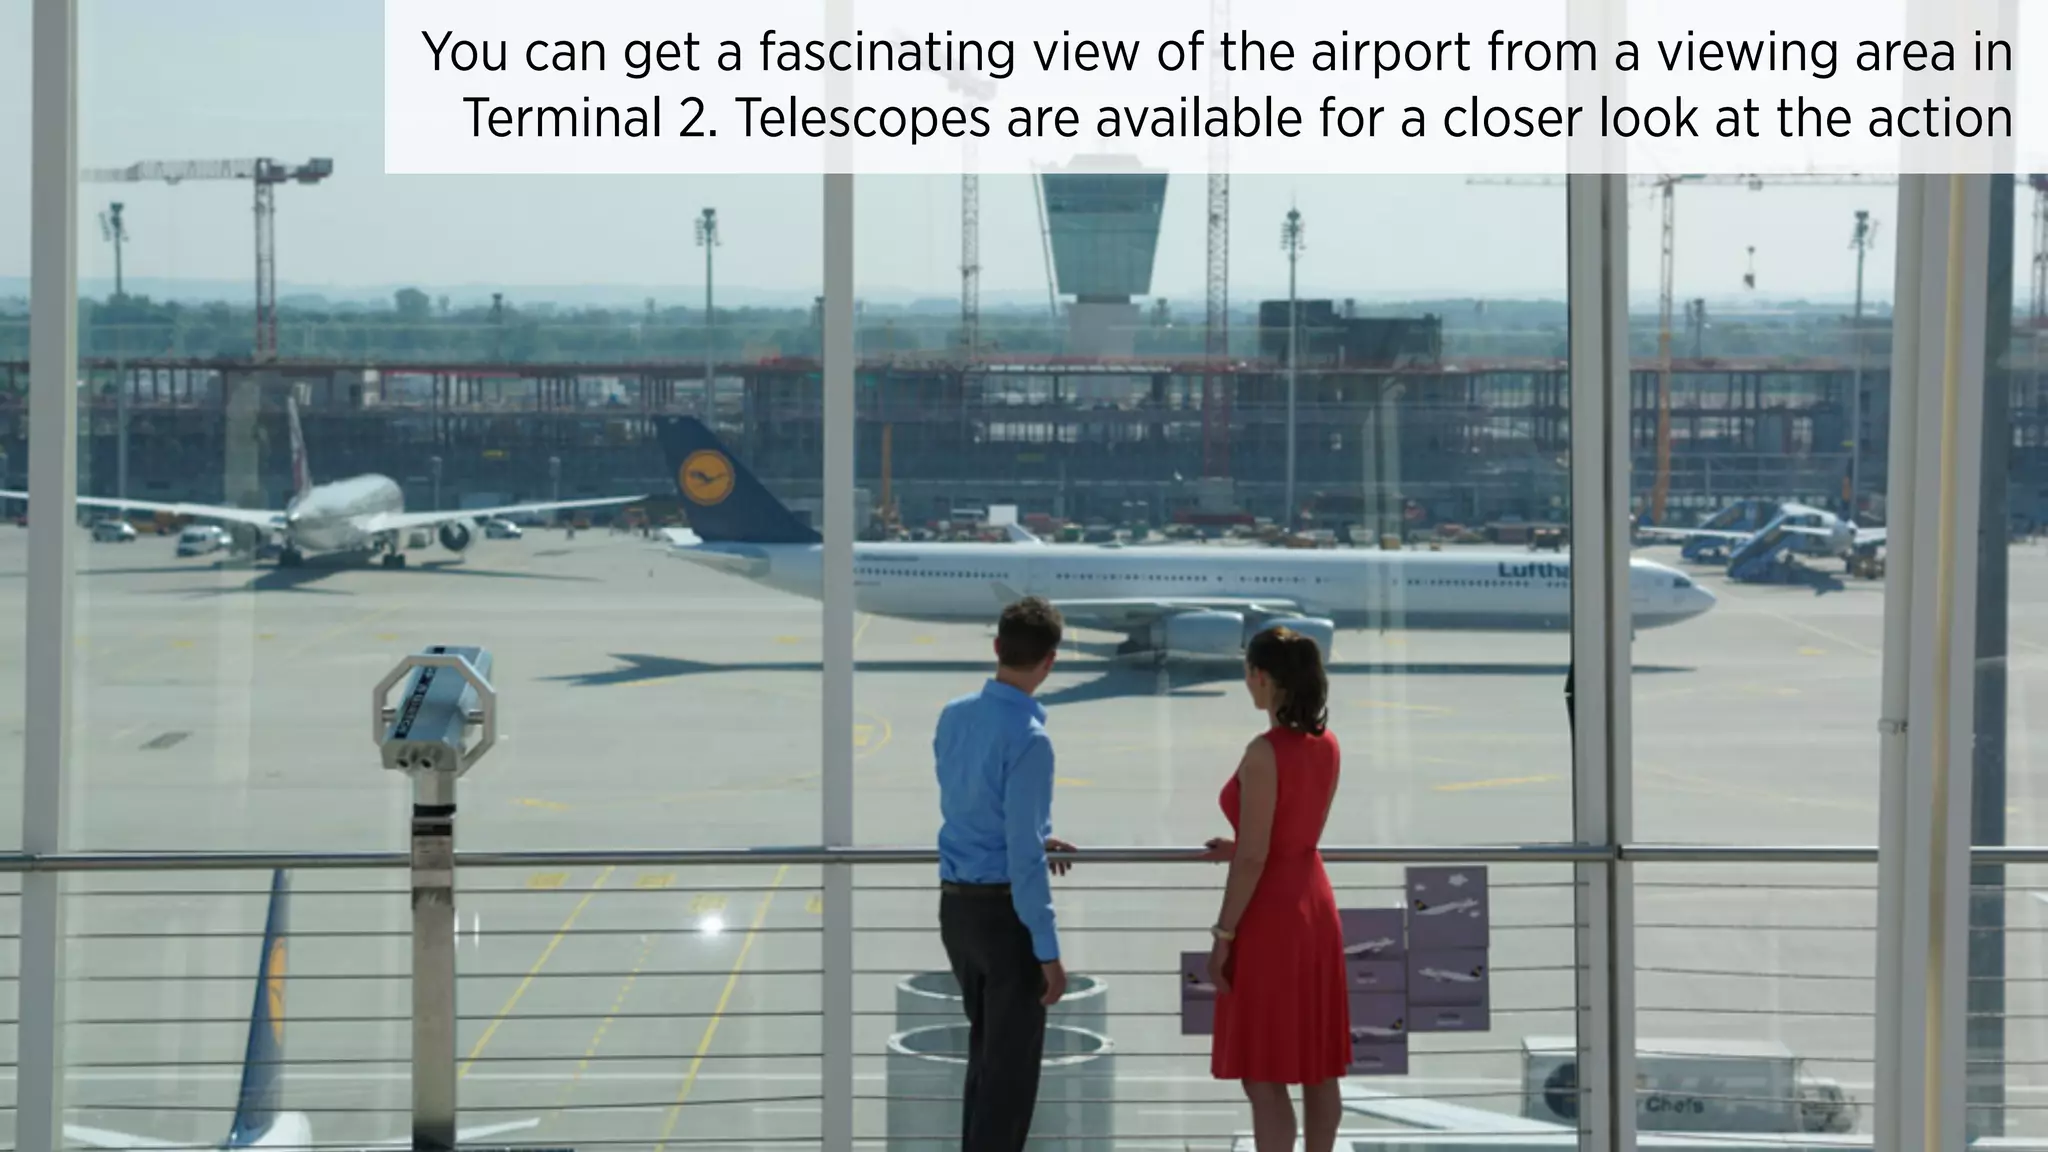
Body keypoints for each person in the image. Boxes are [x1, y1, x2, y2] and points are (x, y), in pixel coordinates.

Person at [934, 596, 1077, 1152]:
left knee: (985, 1066)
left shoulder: (954, 716)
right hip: (1005, 917)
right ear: (1050, 661)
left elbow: (970, 805)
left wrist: (1034, 835)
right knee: (1010, 1083)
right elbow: (1022, 858)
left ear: (997, 648)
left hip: (957, 910)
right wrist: (1048, 951)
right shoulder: (1030, 740)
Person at [1201, 626, 1349, 1152]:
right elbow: (1290, 833)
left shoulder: (1264, 751)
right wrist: (1243, 843)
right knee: (1317, 1062)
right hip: (1313, 898)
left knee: (1263, 1074)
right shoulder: (1325, 743)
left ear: (1262, 678)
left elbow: (1257, 857)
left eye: (1248, 673)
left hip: (1273, 915)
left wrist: (1223, 935)